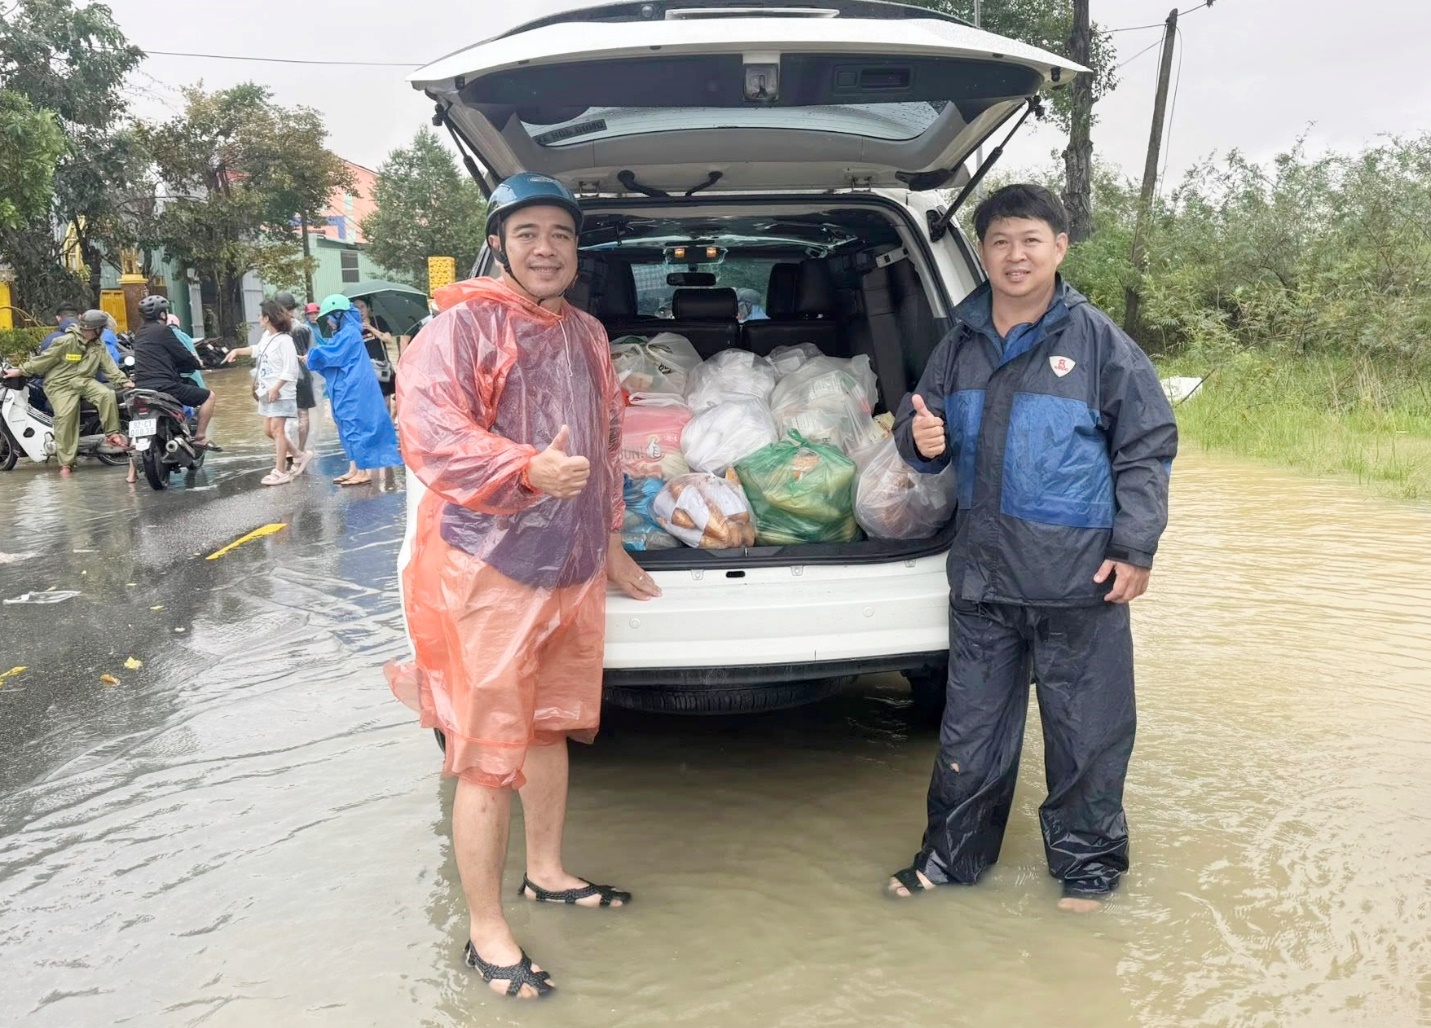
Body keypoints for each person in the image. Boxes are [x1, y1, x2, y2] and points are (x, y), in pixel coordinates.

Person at [385, 173, 660, 1000]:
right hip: (488, 567)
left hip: (569, 563)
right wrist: (525, 468)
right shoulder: (460, 328)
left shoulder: (586, 332)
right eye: (528, 233)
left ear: (578, 250)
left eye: (561, 235)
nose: (546, 249)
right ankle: (486, 930)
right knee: (487, 750)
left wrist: (609, 539)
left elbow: (606, 438)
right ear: (498, 243)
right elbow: (431, 432)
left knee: (546, 725)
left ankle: (546, 871)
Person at [887, 184, 1178, 913]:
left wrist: (1135, 547)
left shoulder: (1099, 341)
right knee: (970, 733)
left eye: (1030, 240)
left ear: (1059, 247)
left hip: (1079, 579)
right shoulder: (958, 342)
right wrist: (919, 440)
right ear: (982, 253)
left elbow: (1145, 446)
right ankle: (951, 858)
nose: (1014, 256)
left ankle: (1088, 867)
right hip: (983, 579)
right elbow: (918, 428)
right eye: (999, 242)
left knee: (1087, 732)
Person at [2, 309, 131, 476]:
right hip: (60, 385)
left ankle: (112, 433)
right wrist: (20, 371)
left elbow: (109, 367)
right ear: (97, 329)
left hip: (84, 381)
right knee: (65, 417)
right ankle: (66, 463)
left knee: (107, 394)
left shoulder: (98, 345)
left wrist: (124, 381)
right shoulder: (65, 341)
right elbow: (43, 360)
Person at [304, 295, 400, 486]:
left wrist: (312, 355)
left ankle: (362, 471)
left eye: (330, 317)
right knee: (345, 426)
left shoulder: (349, 333)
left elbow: (333, 355)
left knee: (355, 426)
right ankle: (354, 468)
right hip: (345, 386)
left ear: (340, 315)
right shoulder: (344, 333)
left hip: (353, 388)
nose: (328, 322)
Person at [131, 295, 217, 448]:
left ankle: (133, 463)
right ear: (162, 314)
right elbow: (182, 354)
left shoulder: (139, 333)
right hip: (165, 387)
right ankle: (200, 437)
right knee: (209, 397)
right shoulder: (164, 330)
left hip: (141, 388)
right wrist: (197, 363)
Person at [249, 299, 303, 486]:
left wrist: (276, 387)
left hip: (281, 393)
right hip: (266, 392)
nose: (259, 318)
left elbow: (291, 369)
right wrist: (237, 351)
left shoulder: (285, 340)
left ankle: (280, 471)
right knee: (268, 430)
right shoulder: (267, 337)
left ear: (267, 318)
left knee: (277, 429)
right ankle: (298, 455)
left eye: (261, 315)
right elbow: (258, 351)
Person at [274, 291, 318, 460]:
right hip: (302, 375)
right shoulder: (304, 328)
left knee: (281, 416)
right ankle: (300, 450)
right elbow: (311, 352)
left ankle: (289, 449)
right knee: (303, 414)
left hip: (282, 377)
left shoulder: (276, 330)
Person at [353, 297, 396, 415]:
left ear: (368, 308)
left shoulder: (378, 321)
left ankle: (387, 424)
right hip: (364, 369)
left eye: (362, 307)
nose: (360, 310)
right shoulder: (353, 327)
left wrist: (370, 328)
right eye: (356, 308)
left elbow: (388, 339)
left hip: (381, 366)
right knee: (369, 402)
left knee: (385, 402)